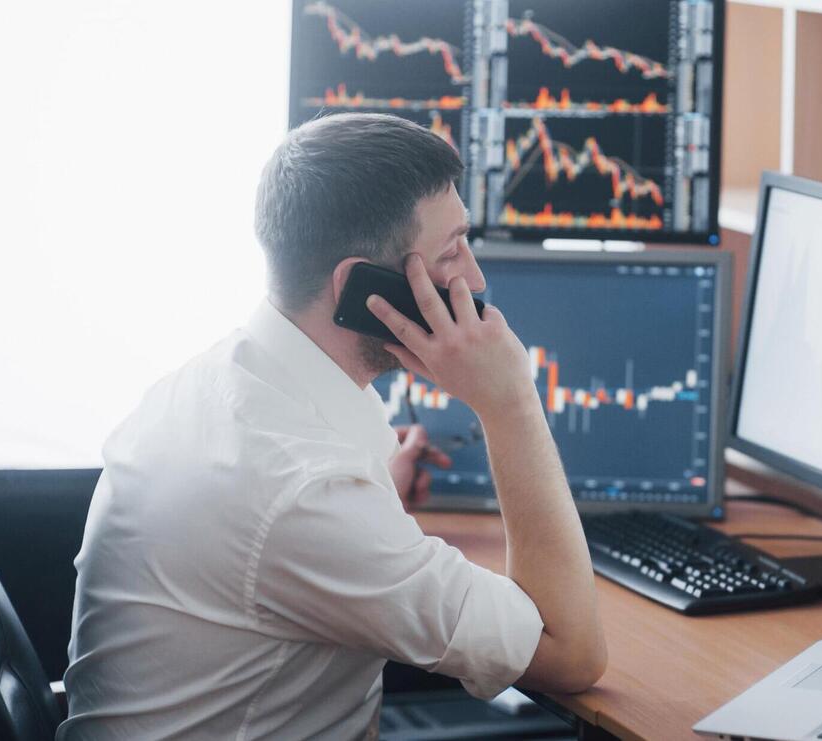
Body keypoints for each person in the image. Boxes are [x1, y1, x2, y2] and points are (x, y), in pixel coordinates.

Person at [59, 113, 606, 739]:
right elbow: (570, 654)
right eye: (451, 251)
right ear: (361, 287)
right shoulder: (301, 490)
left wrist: (375, 490)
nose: (475, 280)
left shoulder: (226, 382)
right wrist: (509, 401)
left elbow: (280, 532)